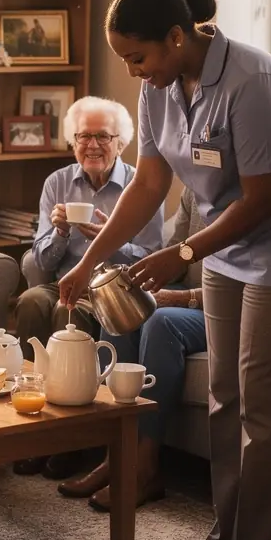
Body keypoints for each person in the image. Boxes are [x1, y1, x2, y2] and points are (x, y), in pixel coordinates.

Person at [59, 0, 271, 540]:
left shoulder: (252, 78)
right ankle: (223, 537)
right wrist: (91, 262)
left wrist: (183, 251)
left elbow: (266, 197)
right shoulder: (158, 86)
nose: (134, 70)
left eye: (138, 56)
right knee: (225, 396)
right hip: (228, 243)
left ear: (176, 36)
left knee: (267, 411)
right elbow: (147, 187)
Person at [13, 96, 164, 480]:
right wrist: (61, 231)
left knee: (73, 316)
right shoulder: (58, 182)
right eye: (84, 136)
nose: (92, 145)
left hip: (112, 290)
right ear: (72, 140)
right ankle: (32, 429)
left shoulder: (140, 184)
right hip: (64, 281)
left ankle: (73, 440)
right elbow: (42, 262)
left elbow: (152, 256)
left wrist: (107, 238)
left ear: (121, 142)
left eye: (102, 136)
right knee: (31, 302)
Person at [58, 185, 207, 511]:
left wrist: (181, 297)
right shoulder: (193, 189)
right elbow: (177, 258)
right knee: (121, 305)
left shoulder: (244, 194)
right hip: (187, 295)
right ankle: (117, 457)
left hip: (223, 307)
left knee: (160, 321)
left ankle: (145, 468)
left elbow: (239, 282)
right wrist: (132, 279)